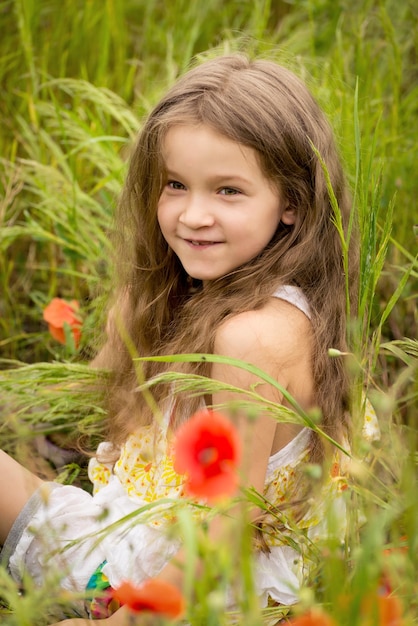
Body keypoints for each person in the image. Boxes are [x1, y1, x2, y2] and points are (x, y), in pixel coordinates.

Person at [0, 54, 378, 625]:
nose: (192, 215)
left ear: (293, 203)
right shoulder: (231, 301)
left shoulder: (252, 338)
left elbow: (228, 528)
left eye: (228, 191)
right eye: (175, 185)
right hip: (154, 541)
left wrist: (125, 621)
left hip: (185, 588)